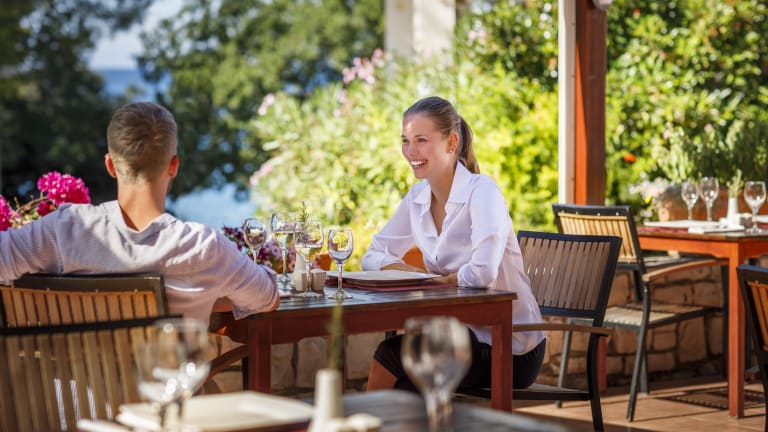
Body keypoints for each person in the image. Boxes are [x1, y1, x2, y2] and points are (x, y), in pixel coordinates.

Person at [0, 102, 280, 324]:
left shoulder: (64, 229)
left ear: (110, 165)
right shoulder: (204, 247)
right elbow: (266, 299)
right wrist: (208, 294)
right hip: (165, 396)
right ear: (174, 166)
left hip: (72, 397)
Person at [361, 96, 545, 391]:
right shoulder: (417, 197)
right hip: (459, 334)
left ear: (451, 142)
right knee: (404, 381)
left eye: (421, 140)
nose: (411, 151)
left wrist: (449, 279)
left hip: (510, 345)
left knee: (392, 355)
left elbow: (483, 273)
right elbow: (372, 256)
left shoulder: (482, 191)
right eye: (406, 140)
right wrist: (420, 276)